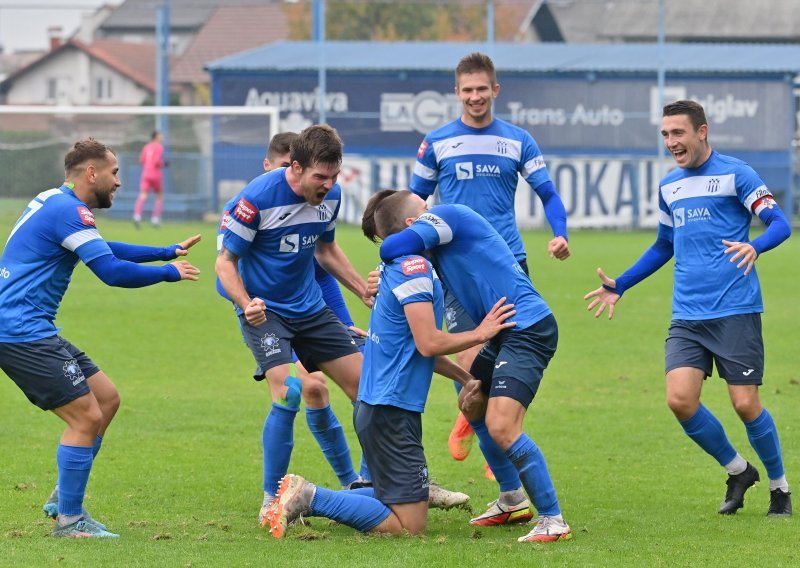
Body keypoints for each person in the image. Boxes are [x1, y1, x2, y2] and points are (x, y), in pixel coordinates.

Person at [263, 189, 516, 538]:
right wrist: (481, 333)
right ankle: (309, 496)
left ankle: (319, 497)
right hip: (391, 410)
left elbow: (414, 346)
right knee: (410, 526)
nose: (436, 212)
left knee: (391, 499)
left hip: (380, 407)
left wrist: (464, 376)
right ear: (415, 223)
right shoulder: (414, 269)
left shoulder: (395, 268)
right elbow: (428, 343)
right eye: (428, 209)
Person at [584, 99, 792, 517]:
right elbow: (664, 245)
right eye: (664, 134)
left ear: (702, 131)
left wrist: (754, 245)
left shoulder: (738, 174)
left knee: (745, 405)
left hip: (734, 309)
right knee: (680, 399)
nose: (670, 142)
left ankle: (780, 487)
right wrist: (621, 284)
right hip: (687, 316)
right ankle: (738, 470)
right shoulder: (669, 186)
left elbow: (781, 224)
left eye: (677, 132)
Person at [0, 138, 200, 538]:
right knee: (86, 416)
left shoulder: (55, 200)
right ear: (92, 173)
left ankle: (63, 497)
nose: (119, 182)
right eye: (114, 173)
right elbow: (111, 271)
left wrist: (164, 252)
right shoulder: (68, 210)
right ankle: (70, 522)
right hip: (19, 331)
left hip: (29, 326)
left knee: (105, 398)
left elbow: (102, 247)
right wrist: (168, 273)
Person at [408, 52, 569, 513]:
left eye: (483, 89)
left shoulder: (517, 140)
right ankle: (505, 474)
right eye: (467, 90)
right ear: (457, 93)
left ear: (495, 90)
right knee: (472, 380)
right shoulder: (436, 142)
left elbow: (548, 193)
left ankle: (499, 444)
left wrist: (559, 232)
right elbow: (414, 204)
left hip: (508, 265)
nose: (475, 97)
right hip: (456, 274)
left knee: (488, 383)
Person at [368, 190, 573, 543]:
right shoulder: (429, 247)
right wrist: (381, 275)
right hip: (505, 332)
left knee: (502, 424)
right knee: (472, 401)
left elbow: (389, 250)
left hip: (528, 327)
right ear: (411, 223)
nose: (429, 206)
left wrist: (386, 261)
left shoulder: (449, 214)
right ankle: (512, 499)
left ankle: (554, 520)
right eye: (422, 208)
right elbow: (394, 260)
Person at [215, 131, 373, 526]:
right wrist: (245, 303)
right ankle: (273, 499)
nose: (329, 185)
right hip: (265, 311)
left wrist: (361, 291)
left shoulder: (329, 199)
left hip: (311, 309)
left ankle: (375, 483)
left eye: (334, 176)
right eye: (321, 176)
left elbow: (325, 250)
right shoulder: (255, 200)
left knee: (369, 389)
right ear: (296, 167)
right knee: (288, 392)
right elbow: (224, 263)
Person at [133, 130, 166, 228]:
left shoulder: (146, 147)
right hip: (156, 174)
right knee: (159, 196)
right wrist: (163, 164)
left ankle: (137, 216)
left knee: (143, 195)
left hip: (146, 173)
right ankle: (155, 219)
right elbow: (157, 161)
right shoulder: (159, 147)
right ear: (156, 137)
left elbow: (142, 160)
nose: (162, 138)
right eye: (160, 136)